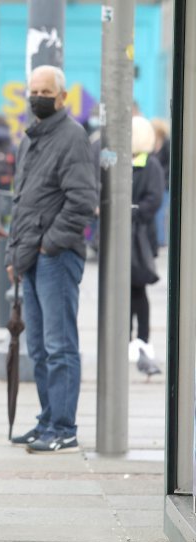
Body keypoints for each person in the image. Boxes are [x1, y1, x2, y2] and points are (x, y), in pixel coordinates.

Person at [5, 66, 98, 454]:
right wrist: (16, 253)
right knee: (40, 348)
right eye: (33, 90)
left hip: (55, 259)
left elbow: (82, 201)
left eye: (45, 91)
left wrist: (48, 245)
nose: (37, 97)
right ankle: (47, 420)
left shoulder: (72, 137)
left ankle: (64, 427)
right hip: (31, 257)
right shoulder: (32, 139)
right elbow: (22, 201)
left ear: (62, 98)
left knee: (60, 347)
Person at [128, 116, 164, 368]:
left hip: (139, 238)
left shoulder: (150, 165)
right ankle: (128, 337)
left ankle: (141, 339)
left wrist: (129, 210)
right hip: (125, 236)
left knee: (138, 288)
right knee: (124, 291)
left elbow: (153, 200)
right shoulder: (121, 163)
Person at [150, 118, 171, 247]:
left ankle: (161, 239)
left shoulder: (167, 143)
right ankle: (158, 238)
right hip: (155, 183)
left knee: (160, 212)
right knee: (157, 211)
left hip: (165, 183)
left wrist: (162, 175)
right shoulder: (152, 144)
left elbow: (169, 164)